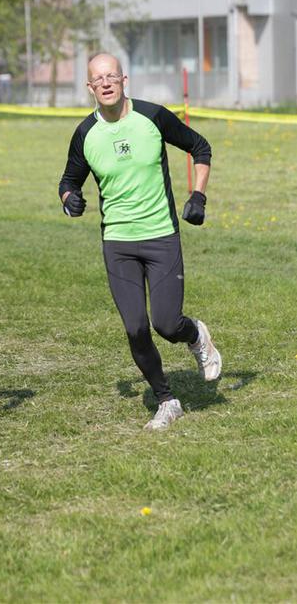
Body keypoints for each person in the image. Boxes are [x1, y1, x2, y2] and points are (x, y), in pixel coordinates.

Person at [58, 53, 221, 431]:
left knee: (167, 323)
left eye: (111, 76)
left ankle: (196, 335)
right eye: (98, 79)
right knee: (135, 328)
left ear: (124, 79)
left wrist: (198, 196)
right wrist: (69, 199)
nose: (106, 83)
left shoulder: (152, 116)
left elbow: (200, 147)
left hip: (161, 236)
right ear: (90, 87)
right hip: (118, 243)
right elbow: (68, 180)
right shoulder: (85, 133)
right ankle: (166, 400)